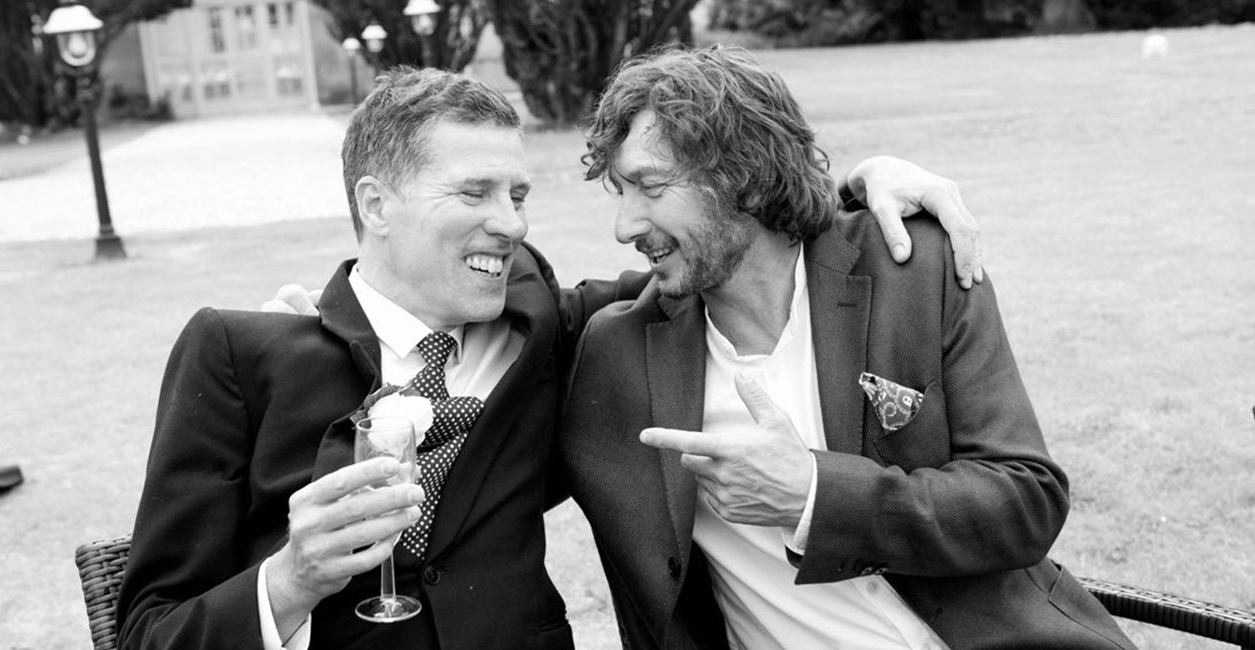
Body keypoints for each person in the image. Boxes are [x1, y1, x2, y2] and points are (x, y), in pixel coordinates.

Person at [119, 65, 979, 649]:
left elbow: (718, 246)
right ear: (375, 205)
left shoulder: (553, 328)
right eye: (475, 192)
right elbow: (149, 630)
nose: (512, 223)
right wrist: (289, 581)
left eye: (518, 194)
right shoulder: (242, 354)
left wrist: (851, 187)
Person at [558, 45, 1134, 649]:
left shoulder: (914, 267)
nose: (623, 226)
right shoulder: (613, 352)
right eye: (621, 192)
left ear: (743, 177)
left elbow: (1026, 499)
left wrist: (813, 495)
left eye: (650, 187)